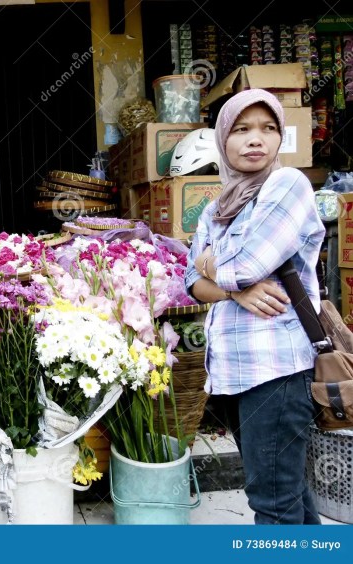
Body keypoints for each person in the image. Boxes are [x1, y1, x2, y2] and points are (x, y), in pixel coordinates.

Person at [185, 89, 325, 524]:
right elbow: (191, 284)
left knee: (272, 503)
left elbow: (246, 265)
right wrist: (232, 290)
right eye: (241, 130)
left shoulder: (288, 185)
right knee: (288, 494)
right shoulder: (217, 208)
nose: (255, 139)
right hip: (234, 373)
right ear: (223, 140)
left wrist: (215, 266)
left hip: (277, 369)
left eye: (268, 129)